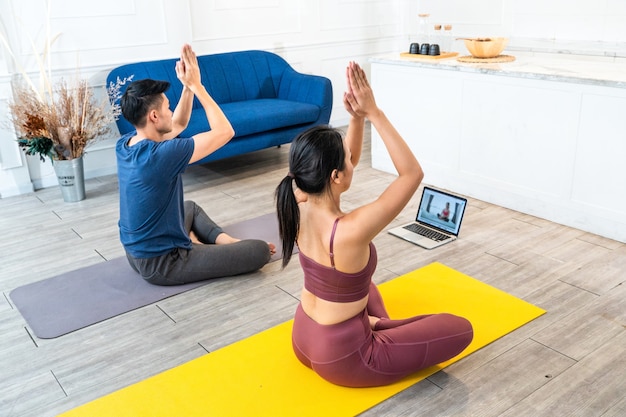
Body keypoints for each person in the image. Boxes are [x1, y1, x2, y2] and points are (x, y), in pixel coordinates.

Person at [275, 61, 473, 387]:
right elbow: (411, 174)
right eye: (346, 160)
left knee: (363, 284)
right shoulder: (350, 230)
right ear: (336, 176)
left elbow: (345, 161)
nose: (353, 160)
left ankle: (376, 323)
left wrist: (356, 117)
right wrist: (375, 113)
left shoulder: (296, 200)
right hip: (344, 358)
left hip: (303, 335)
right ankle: (379, 327)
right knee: (459, 328)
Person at [116, 44, 274, 286]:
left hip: (135, 254)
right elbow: (225, 131)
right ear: (154, 116)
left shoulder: (127, 144)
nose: (170, 111)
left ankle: (224, 241)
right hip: (163, 263)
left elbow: (178, 124)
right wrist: (199, 86)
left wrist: (187, 88)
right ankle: (195, 246)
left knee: (189, 207)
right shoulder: (161, 155)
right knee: (259, 251)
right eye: (167, 107)